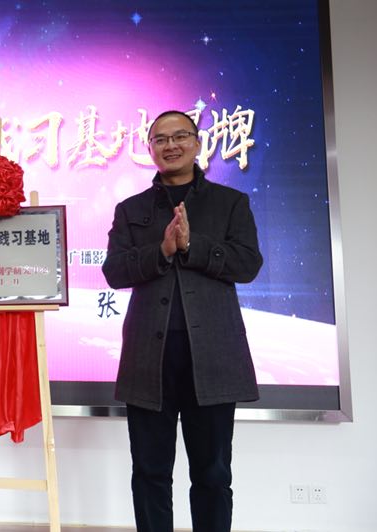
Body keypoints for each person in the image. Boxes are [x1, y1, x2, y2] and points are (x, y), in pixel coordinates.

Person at [101, 110, 262, 532]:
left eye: (180, 136)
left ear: (197, 143)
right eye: (160, 139)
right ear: (150, 148)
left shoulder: (230, 203)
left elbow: (248, 264)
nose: (170, 145)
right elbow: (114, 271)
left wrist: (193, 245)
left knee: (212, 473)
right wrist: (163, 250)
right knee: (149, 472)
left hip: (212, 358)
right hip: (148, 360)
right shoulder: (130, 209)